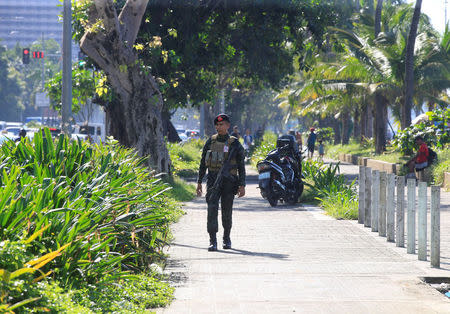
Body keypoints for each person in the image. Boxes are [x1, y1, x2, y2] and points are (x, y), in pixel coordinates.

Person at [196, 114, 246, 251]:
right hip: (212, 179)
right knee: (212, 209)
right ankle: (212, 240)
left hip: (229, 181)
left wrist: (242, 185)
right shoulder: (210, 142)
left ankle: (226, 238)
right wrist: (199, 182)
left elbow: (241, 165)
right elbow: (202, 163)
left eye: (222, 124)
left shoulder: (234, 143)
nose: (219, 127)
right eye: (217, 125)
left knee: (226, 210)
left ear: (228, 126)